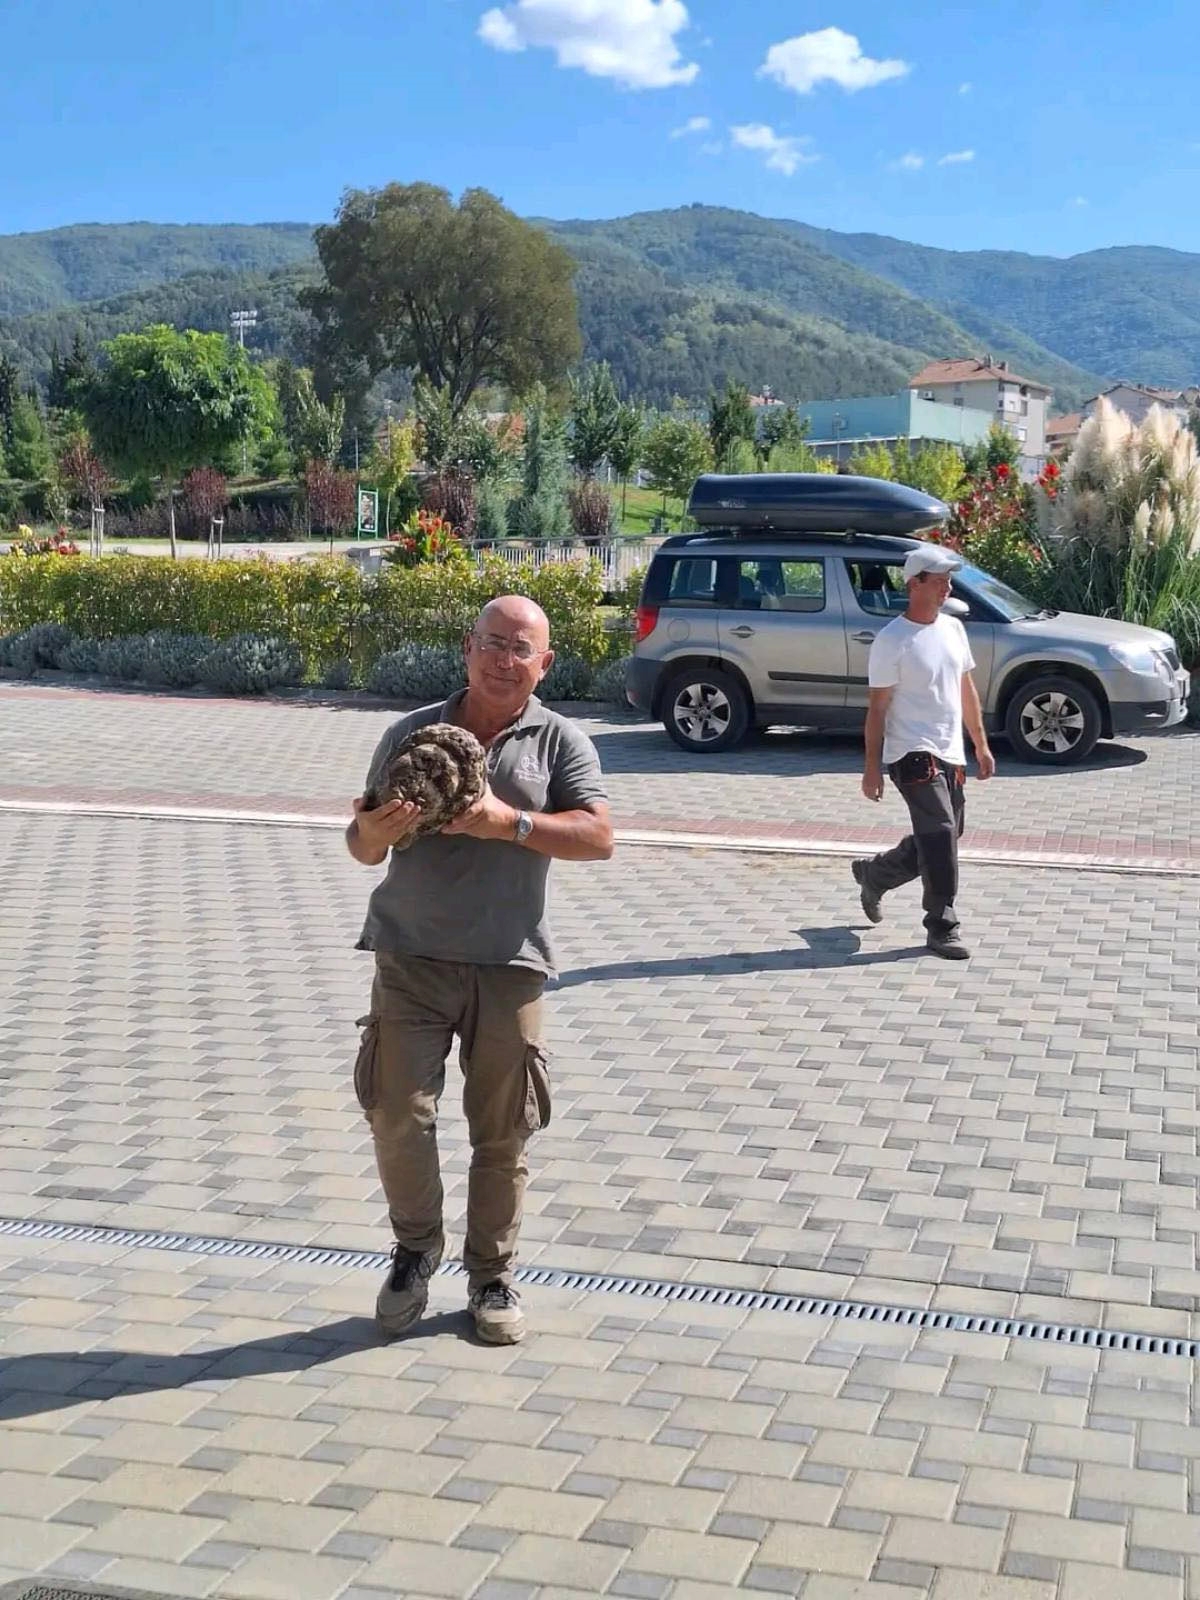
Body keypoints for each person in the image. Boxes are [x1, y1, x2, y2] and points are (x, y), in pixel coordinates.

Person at [346, 596, 613, 1344]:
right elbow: (362, 847)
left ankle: (492, 1274)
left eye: (520, 649)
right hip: (412, 955)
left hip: (509, 962)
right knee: (396, 1108)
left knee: (503, 1132)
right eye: (492, 643)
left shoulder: (560, 742)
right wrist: (369, 830)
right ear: (468, 648)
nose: (504, 659)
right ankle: (414, 1251)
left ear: (544, 663)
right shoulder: (414, 733)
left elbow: (598, 838)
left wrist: (511, 822)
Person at [853, 545, 995, 959]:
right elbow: (877, 708)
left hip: (951, 749)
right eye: (940, 579)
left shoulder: (953, 629)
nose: (948, 585)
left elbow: (965, 690)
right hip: (910, 750)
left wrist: (981, 743)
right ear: (915, 584)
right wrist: (871, 768)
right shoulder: (891, 640)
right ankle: (942, 925)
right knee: (940, 833)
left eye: (949, 578)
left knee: (947, 835)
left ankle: (875, 874)